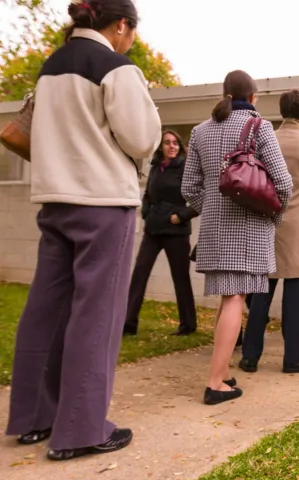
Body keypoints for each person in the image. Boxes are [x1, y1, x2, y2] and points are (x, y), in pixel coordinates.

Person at [5, 0, 161, 461]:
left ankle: (33, 417)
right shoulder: (116, 67)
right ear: (120, 26)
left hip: (55, 200)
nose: (131, 40)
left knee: (45, 310)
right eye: (131, 31)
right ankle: (80, 429)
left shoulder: (50, 68)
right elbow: (141, 137)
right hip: (103, 203)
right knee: (97, 315)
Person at [182, 70, 292, 405]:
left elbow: (189, 189)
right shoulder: (260, 128)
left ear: (226, 93)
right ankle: (215, 382)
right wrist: (273, 214)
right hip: (248, 228)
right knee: (235, 299)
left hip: (215, 230)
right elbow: (284, 184)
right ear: (254, 97)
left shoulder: (200, 131)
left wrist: (213, 207)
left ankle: (223, 368)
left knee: (227, 297)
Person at [240, 89, 299, 374]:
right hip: (298, 229)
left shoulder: (264, 140)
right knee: (295, 295)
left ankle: (249, 356)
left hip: (265, 223)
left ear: (282, 111)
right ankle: (293, 357)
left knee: (261, 294)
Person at [124, 131, 198, 337]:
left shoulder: (186, 167)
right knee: (139, 274)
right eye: (167, 143)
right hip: (153, 229)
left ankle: (188, 325)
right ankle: (128, 324)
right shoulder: (156, 167)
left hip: (176, 231)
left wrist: (182, 216)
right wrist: (147, 211)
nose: (172, 146)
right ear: (161, 147)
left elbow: (202, 196)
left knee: (180, 278)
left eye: (175, 143)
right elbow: (148, 194)